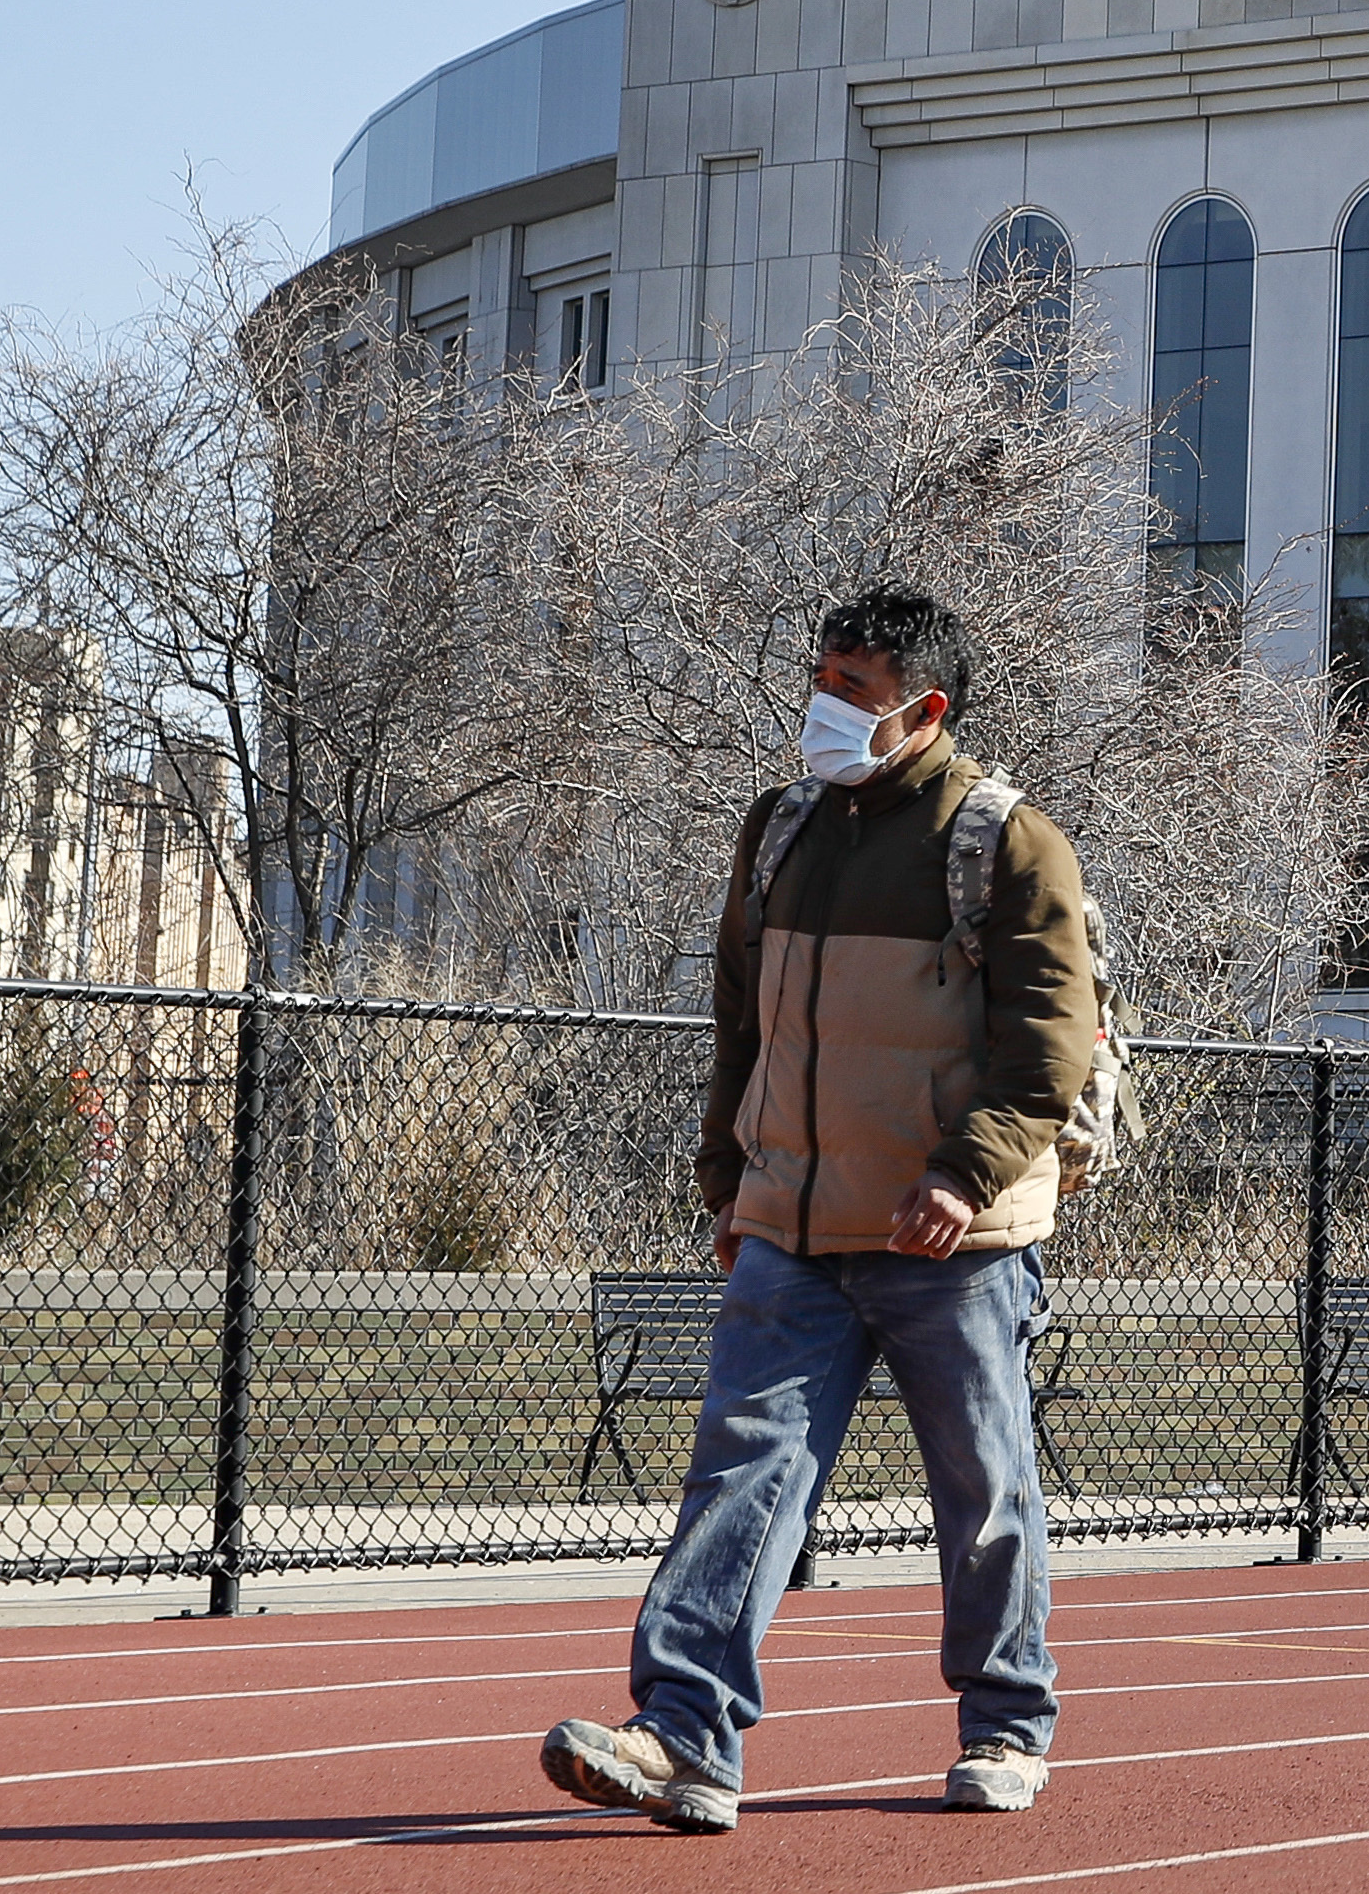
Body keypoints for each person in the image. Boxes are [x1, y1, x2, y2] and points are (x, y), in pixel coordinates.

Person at [543, 582, 1100, 1833]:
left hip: (944, 1237)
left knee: (986, 1488)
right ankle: (683, 1737)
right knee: (741, 1477)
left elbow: (1049, 1043)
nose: (824, 710)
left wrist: (965, 1174)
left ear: (924, 709)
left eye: (852, 692)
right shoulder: (779, 828)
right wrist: (727, 1180)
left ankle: (1006, 1724)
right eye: (822, 680)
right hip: (790, 1229)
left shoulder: (1007, 844)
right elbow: (741, 1023)